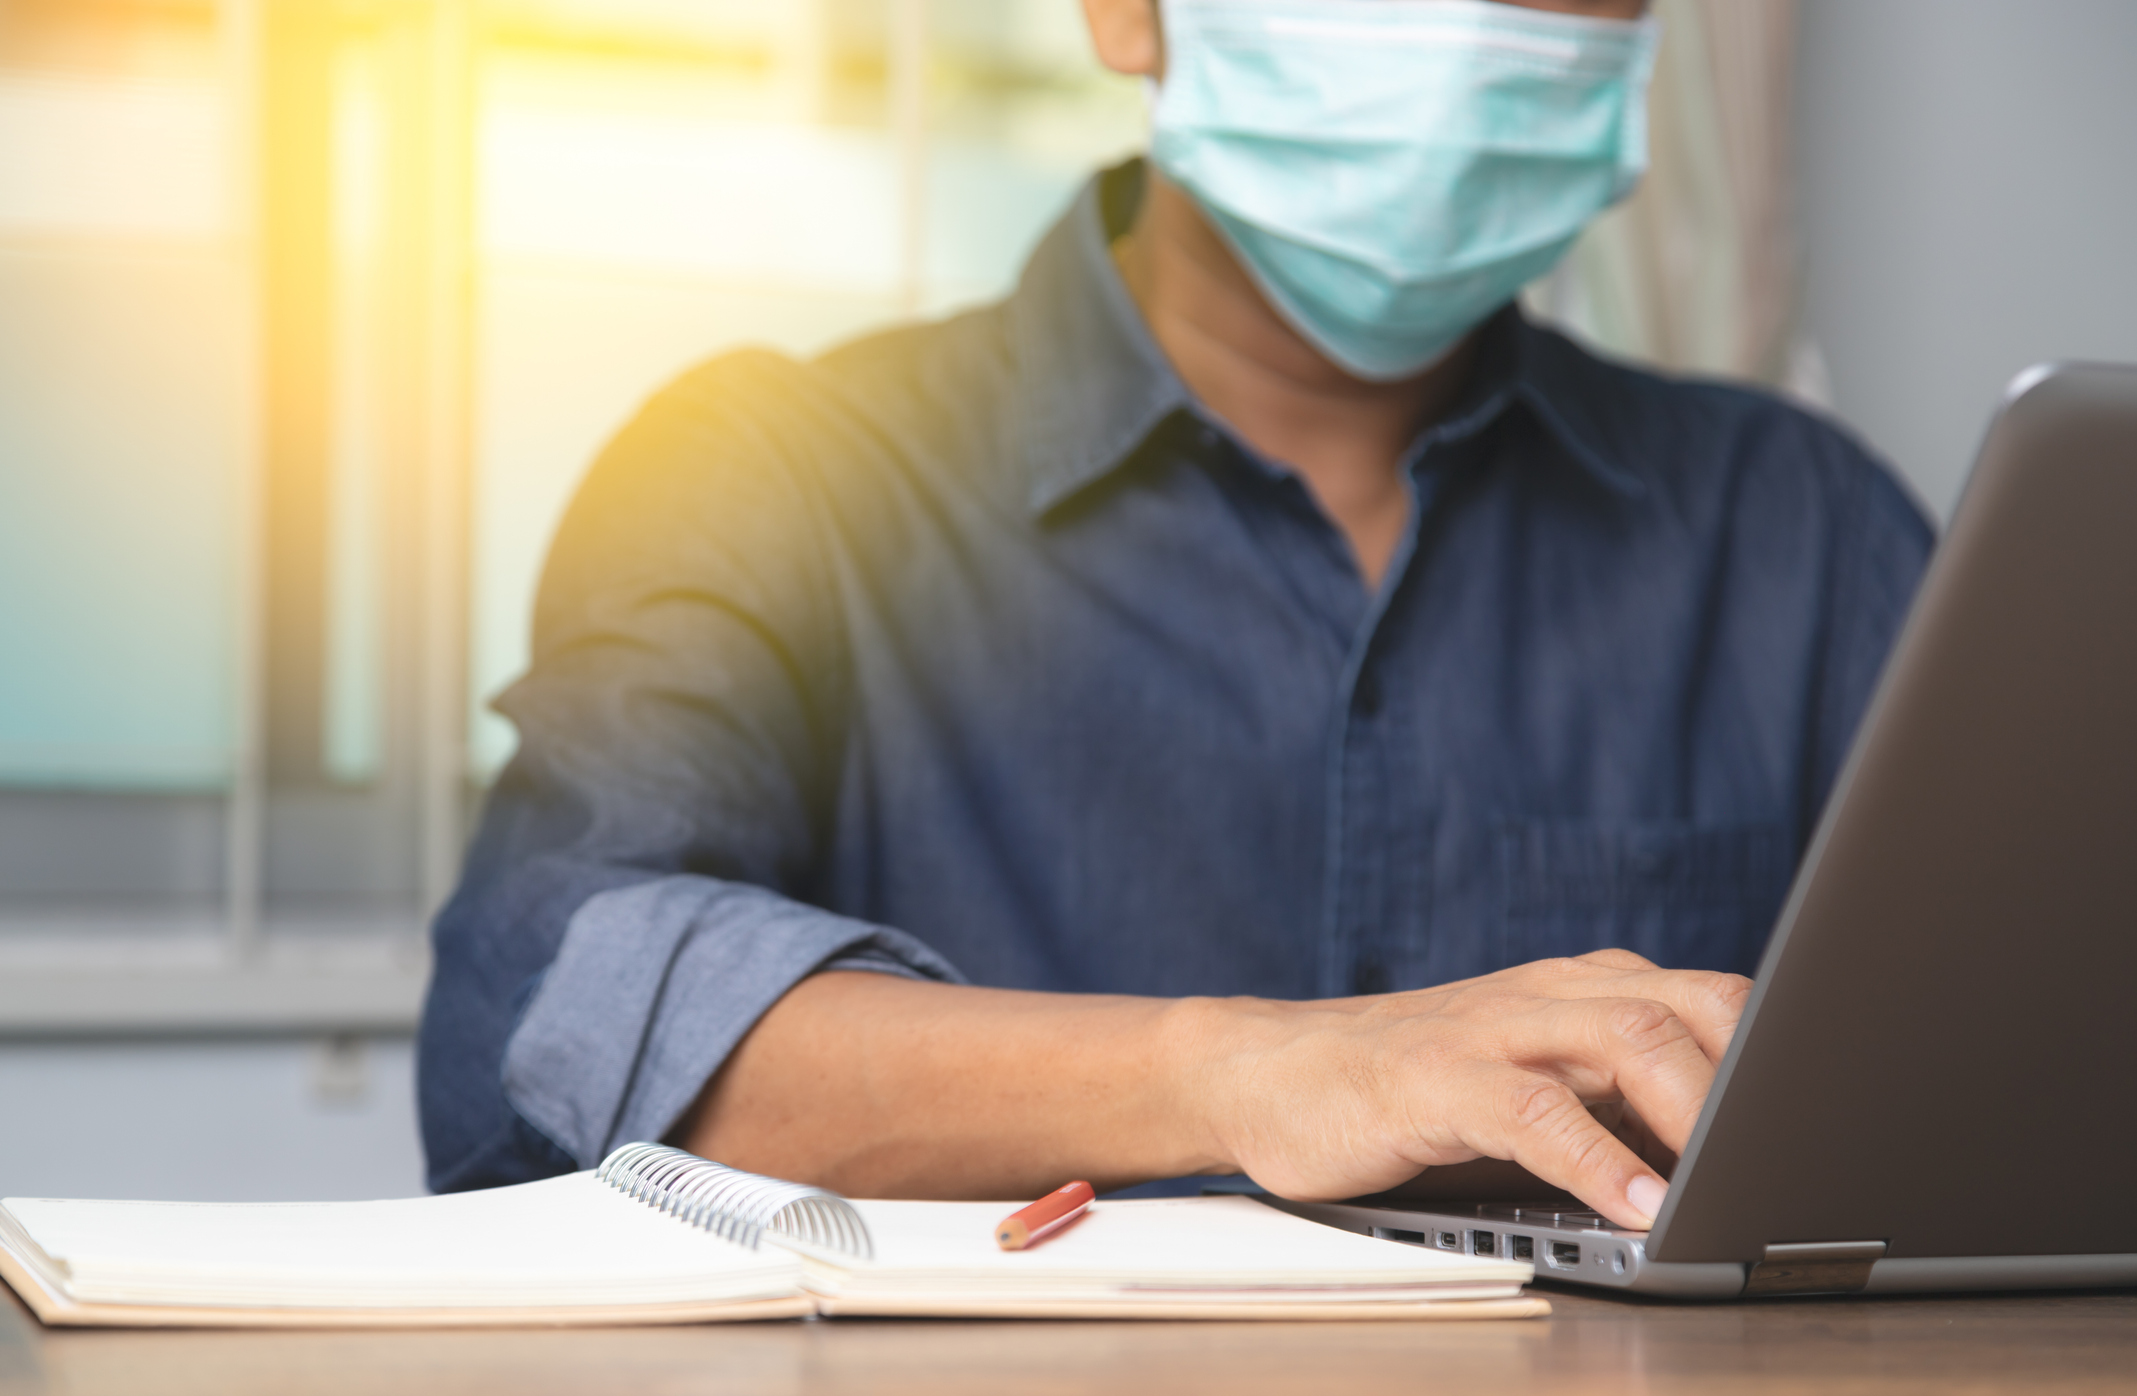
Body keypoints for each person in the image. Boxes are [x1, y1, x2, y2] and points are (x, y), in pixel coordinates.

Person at [418, 0, 1932, 1230]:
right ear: (1126, 14)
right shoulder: (766, 473)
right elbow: (547, 1010)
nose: (1473, 28)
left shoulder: (1805, 529)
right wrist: (1245, 1074)